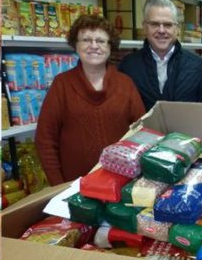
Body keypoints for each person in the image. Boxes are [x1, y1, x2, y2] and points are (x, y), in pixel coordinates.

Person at [35, 14, 146, 186]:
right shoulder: (62, 84)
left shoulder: (125, 84)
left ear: (110, 46)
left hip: (122, 182)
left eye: (101, 41)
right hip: (75, 186)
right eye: (86, 40)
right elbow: (45, 140)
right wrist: (58, 186)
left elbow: (142, 133)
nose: (94, 46)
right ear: (76, 44)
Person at [119, 0, 202, 111]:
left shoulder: (197, 66)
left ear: (177, 29)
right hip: (144, 129)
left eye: (168, 25)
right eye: (155, 24)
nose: (161, 30)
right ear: (144, 26)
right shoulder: (128, 66)